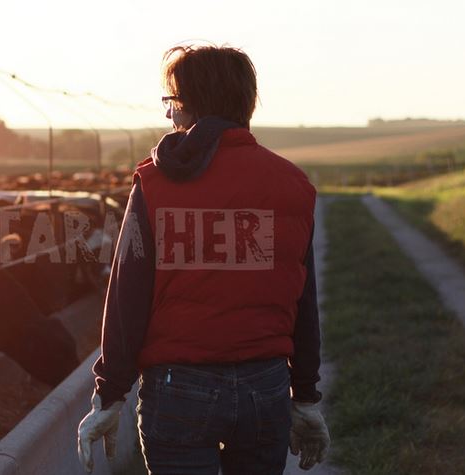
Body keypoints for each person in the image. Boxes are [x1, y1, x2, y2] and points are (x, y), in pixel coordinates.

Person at [78, 44, 330, 474]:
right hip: (265, 388)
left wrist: (110, 394)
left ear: (190, 107)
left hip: (179, 390)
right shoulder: (292, 184)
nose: (170, 115)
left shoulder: (155, 183)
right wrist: (304, 396)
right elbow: (302, 300)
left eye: (173, 103)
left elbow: (127, 295)